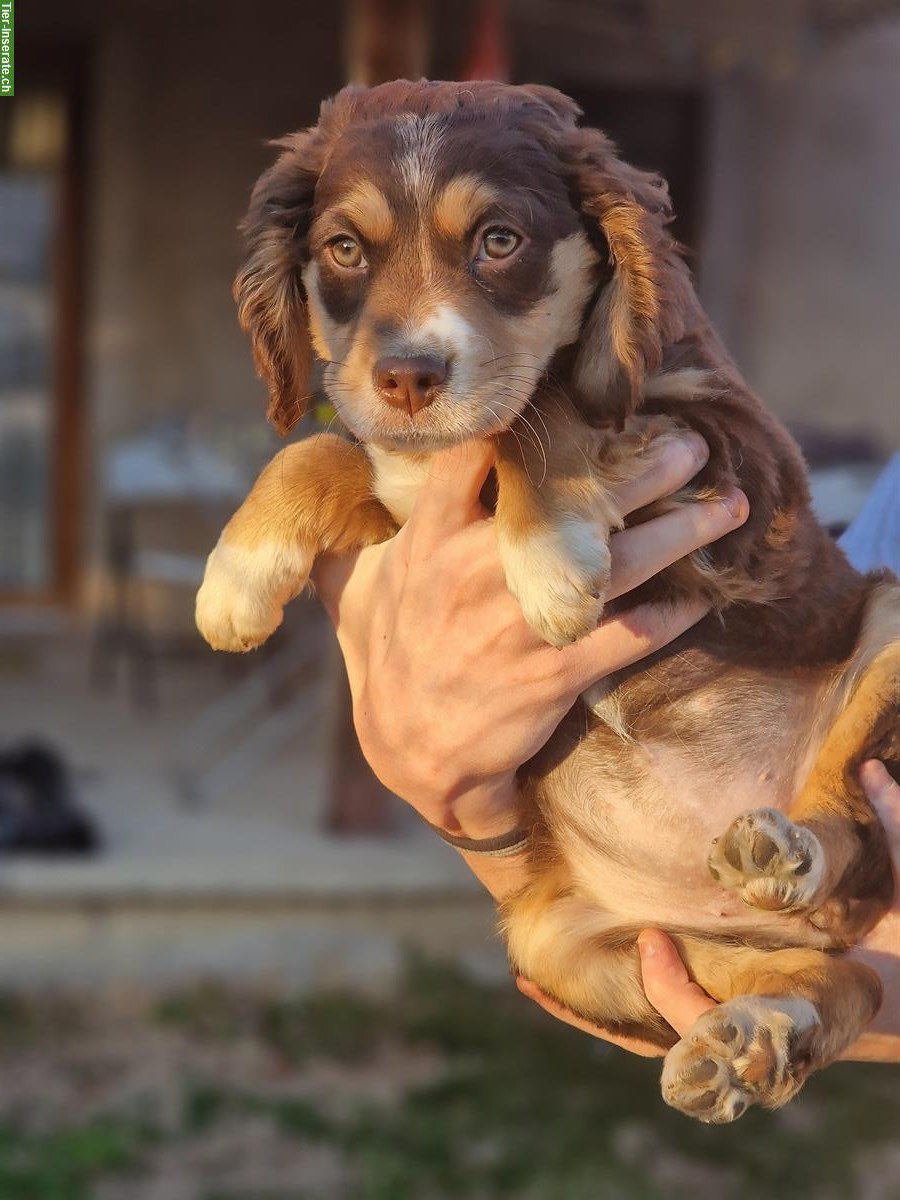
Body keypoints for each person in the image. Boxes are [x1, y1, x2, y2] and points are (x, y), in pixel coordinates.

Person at [312, 435, 900, 1062]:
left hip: (804, 891)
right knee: (552, 945)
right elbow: (833, 655)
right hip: (763, 878)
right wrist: (473, 806)